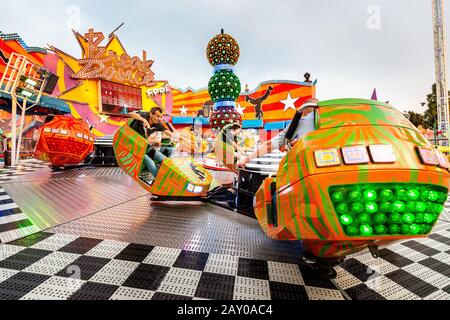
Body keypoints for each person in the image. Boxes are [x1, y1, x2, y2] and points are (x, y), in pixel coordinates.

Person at [237, 98, 318, 167]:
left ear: (303, 112)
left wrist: (247, 158)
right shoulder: (329, 117)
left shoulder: (301, 121)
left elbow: (269, 146)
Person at [128, 107, 177, 179]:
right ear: (151, 114)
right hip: (135, 147)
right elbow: (130, 114)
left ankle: (169, 178)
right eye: (157, 116)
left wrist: (179, 137)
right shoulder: (145, 115)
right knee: (150, 162)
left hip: (145, 147)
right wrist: (143, 120)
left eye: (161, 117)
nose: (159, 119)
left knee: (163, 159)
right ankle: (159, 181)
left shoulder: (158, 124)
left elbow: (169, 133)